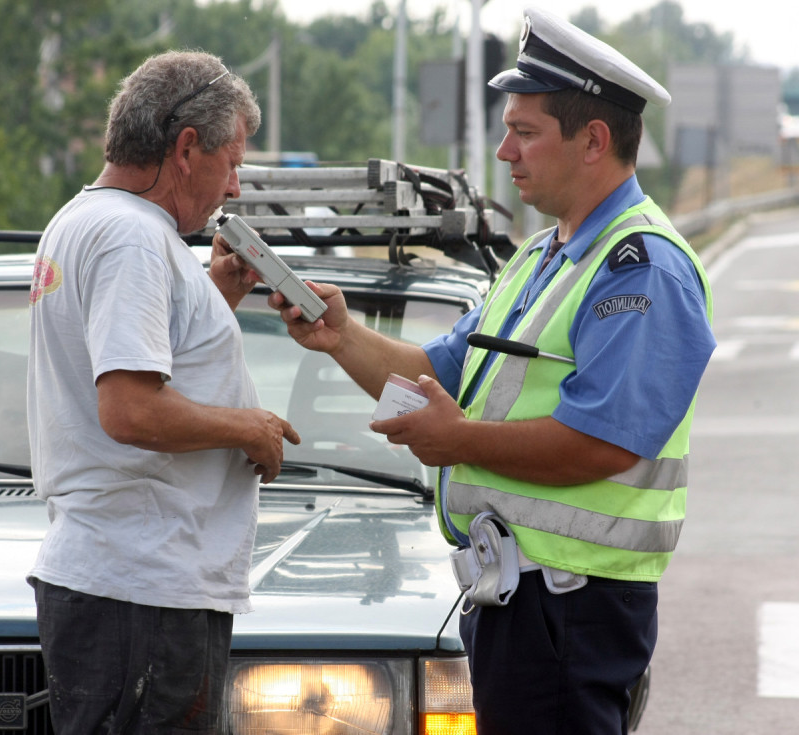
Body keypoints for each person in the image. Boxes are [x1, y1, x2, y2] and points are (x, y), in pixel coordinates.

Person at [270, 8, 715, 734]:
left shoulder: (641, 267)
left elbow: (605, 441)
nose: (504, 150)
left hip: (571, 608)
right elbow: (435, 371)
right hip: (519, 599)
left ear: (594, 140)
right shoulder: (543, 258)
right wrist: (341, 336)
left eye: (526, 131)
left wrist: (461, 441)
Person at [26, 50, 300, 734]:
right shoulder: (133, 239)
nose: (233, 187)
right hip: (144, 587)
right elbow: (130, 408)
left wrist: (214, 297)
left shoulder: (87, 220)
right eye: (231, 161)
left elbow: (138, 366)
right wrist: (251, 428)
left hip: (119, 581)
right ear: (185, 148)